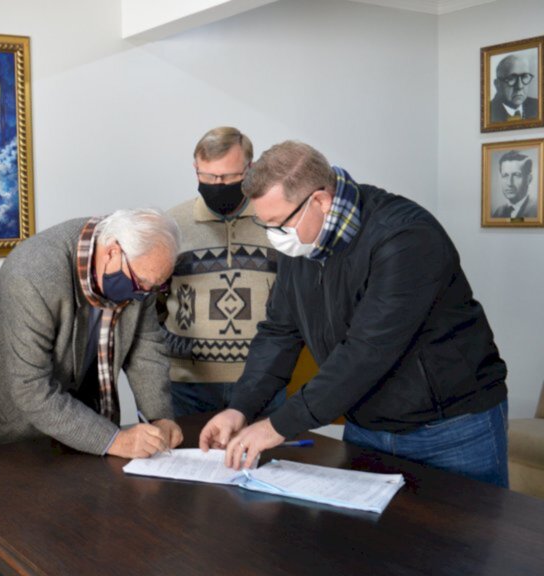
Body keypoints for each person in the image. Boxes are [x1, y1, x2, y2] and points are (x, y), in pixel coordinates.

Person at [199, 141, 509, 487]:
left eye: (278, 224)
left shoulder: (406, 237)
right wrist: (240, 408)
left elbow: (366, 352)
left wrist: (277, 426)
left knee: (471, 539)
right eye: (266, 226)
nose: (275, 238)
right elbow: (279, 332)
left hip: (449, 428)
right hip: (367, 425)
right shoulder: (301, 238)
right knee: (366, 539)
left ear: (319, 200)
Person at [0, 209, 184, 458]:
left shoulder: (142, 271)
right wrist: (114, 441)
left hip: (77, 418)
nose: (145, 293)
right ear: (113, 251)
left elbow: (145, 348)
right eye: (141, 284)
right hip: (3, 424)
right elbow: (31, 389)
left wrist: (159, 418)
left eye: (155, 287)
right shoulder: (33, 273)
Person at [161, 127, 282, 418]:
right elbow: (151, 303)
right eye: (208, 176)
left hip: (264, 380)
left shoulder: (276, 220)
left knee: (270, 463)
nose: (218, 184)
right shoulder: (172, 224)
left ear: (250, 169)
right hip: (188, 386)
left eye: (229, 177)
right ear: (196, 169)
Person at [490, 53, 539, 123]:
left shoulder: (538, 106)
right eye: (511, 78)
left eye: (524, 77)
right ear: (497, 84)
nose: (520, 86)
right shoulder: (488, 112)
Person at [491, 150, 538, 219]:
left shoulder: (537, 210)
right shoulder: (498, 213)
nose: (509, 183)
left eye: (516, 175)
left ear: (529, 179)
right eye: (505, 175)